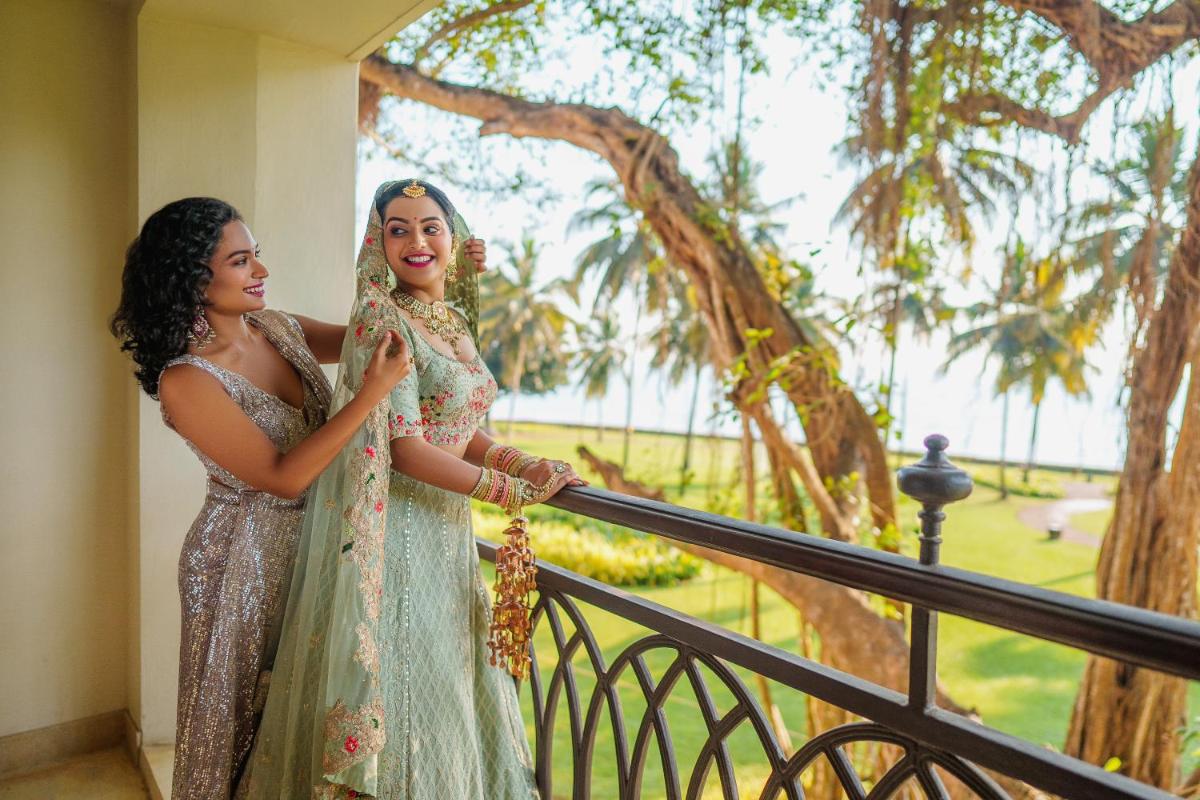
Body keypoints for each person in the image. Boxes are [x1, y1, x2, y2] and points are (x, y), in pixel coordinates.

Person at [238, 179, 583, 799]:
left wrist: (521, 462)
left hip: (446, 538)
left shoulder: (452, 319)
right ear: (380, 243)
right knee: (405, 698)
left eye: (430, 227)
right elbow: (406, 449)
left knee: (447, 697)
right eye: (398, 229)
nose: (416, 241)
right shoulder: (381, 317)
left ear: (454, 238)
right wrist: (508, 491)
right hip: (395, 538)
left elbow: (457, 428)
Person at [111, 197, 426, 800]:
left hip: (319, 543)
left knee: (311, 705)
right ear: (192, 278)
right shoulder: (186, 379)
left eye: (256, 255)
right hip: (241, 562)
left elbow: (381, 336)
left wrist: (438, 263)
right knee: (241, 721)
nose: (261, 270)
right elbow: (283, 477)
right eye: (241, 261)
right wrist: (369, 395)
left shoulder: (278, 328)